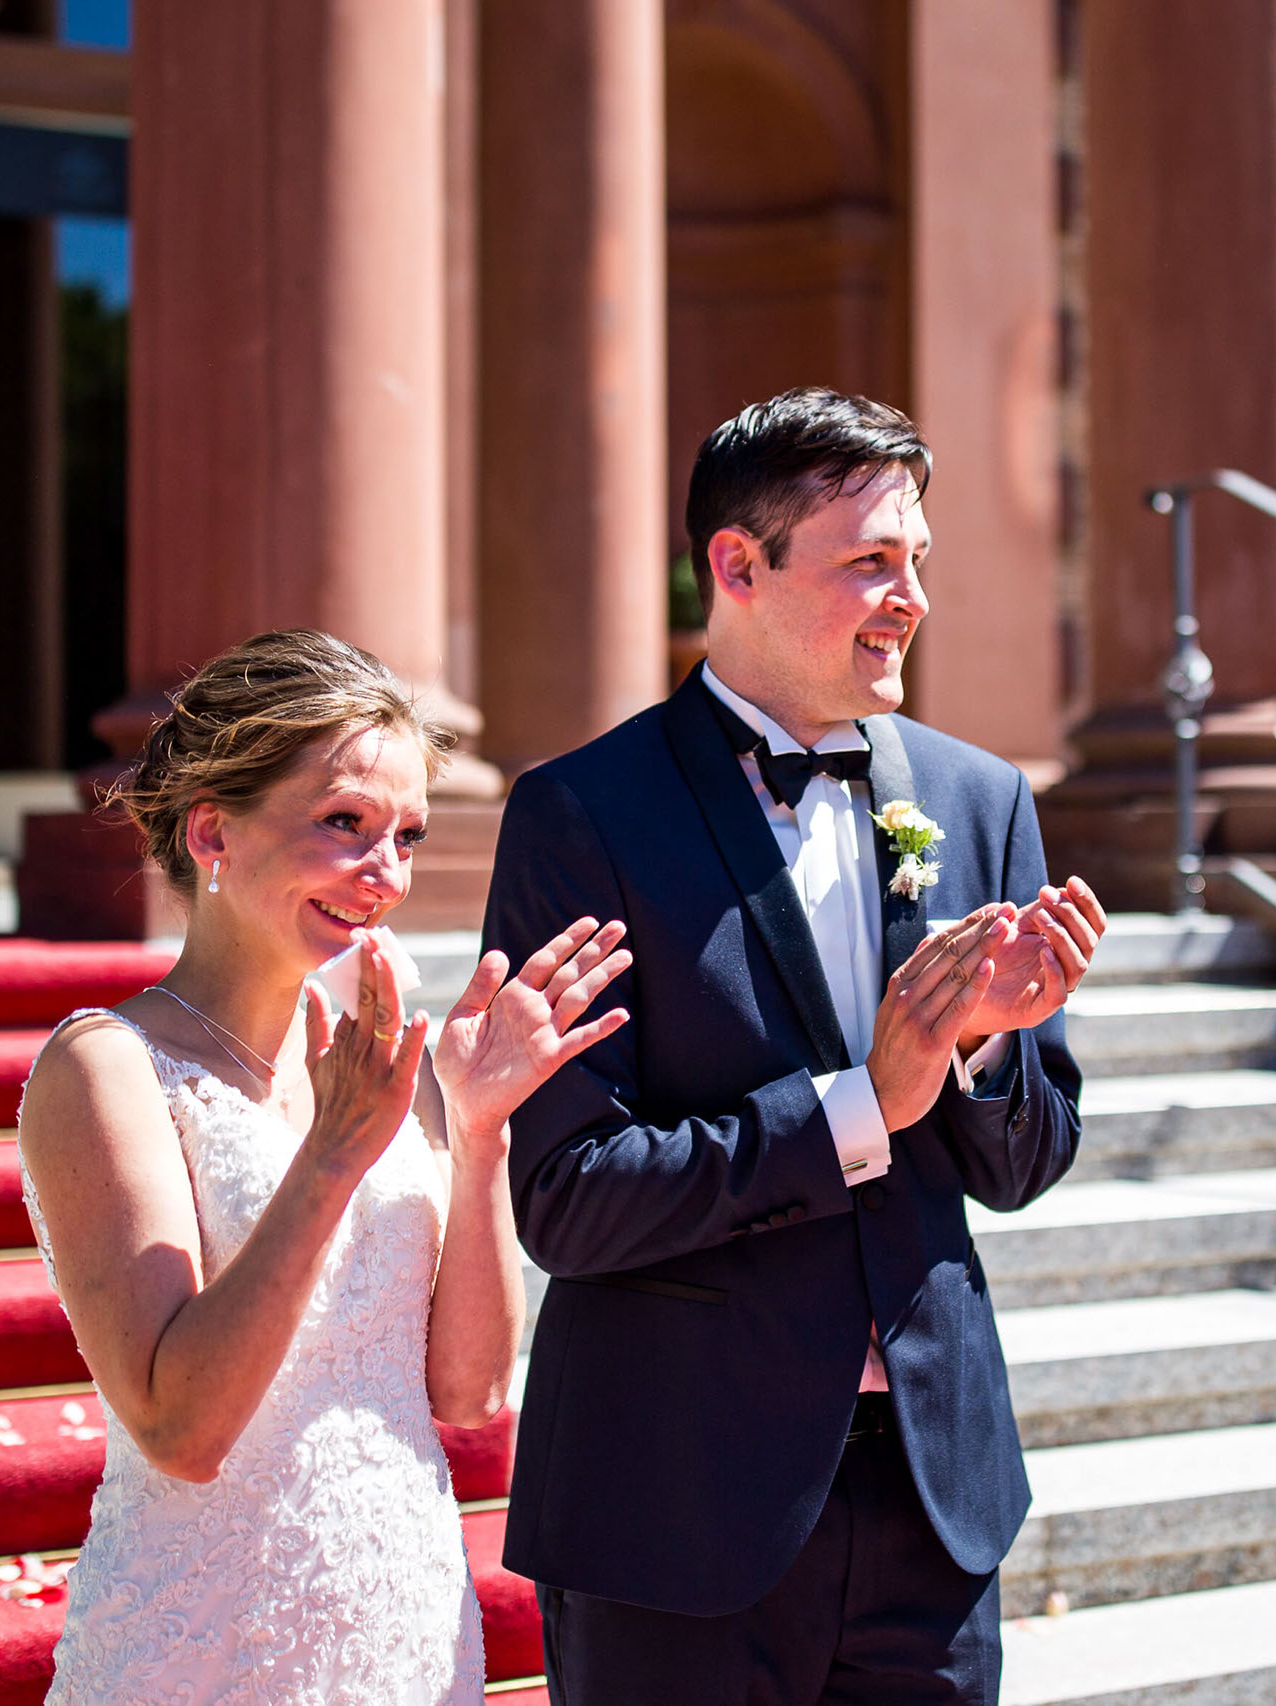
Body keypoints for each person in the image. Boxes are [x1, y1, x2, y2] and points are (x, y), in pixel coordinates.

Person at [483, 388, 1109, 1705]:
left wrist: (989, 1056)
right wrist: (860, 1104)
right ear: (736, 565)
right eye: (872, 561)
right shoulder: (579, 815)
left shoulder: (981, 799)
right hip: (679, 1502)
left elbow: (1025, 1161)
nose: (912, 599)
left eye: (919, 561)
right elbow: (570, 1197)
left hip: (935, 1497)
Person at [18, 628, 631, 1705]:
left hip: (404, 1612)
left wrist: (479, 1128)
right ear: (212, 829)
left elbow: (470, 1390)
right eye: (343, 823)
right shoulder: (105, 1067)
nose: (384, 873)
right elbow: (183, 1427)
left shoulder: (379, 1055)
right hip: (207, 1644)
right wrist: (333, 1154)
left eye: (404, 834)